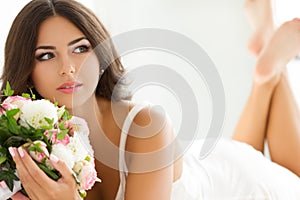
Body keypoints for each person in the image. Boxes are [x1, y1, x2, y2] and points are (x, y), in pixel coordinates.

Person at [1, 0, 299, 199]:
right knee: (242, 149)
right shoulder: (23, 142)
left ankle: (268, 70)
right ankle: (267, 68)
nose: (67, 67)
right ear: (27, 69)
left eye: (80, 49)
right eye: (47, 55)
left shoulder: (147, 125)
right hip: (210, 163)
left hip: (240, 187)